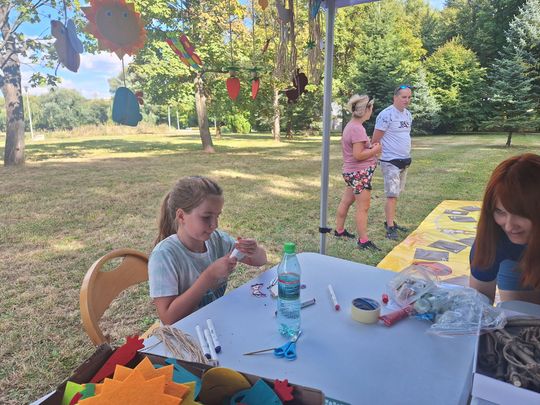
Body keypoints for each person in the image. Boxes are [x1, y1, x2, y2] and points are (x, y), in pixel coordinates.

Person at [149, 176, 267, 324]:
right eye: (206, 217)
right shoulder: (164, 256)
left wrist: (253, 250)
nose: (215, 224)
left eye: (217, 216)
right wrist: (209, 276)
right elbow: (168, 318)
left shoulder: (217, 240)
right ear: (181, 216)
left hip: (214, 322)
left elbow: (261, 260)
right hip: (183, 333)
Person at [469, 153, 540, 305]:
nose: (509, 226)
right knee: (519, 311)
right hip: (516, 264)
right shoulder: (493, 236)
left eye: (521, 214)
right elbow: (479, 306)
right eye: (500, 212)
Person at [334, 94, 382, 251]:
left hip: (352, 173)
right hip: (359, 174)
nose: (372, 111)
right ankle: (363, 241)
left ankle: (339, 231)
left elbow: (357, 150)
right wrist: (375, 149)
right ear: (365, 110)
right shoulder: (357, 129)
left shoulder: (351, 126)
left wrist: (370, 148)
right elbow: (358, 155)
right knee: (363, 207)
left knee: (346, 201)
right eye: (371, 108)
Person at [372, 85, 413, 240]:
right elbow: (375, 139)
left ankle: (391, 221)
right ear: (395, 97)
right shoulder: (386, 115)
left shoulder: (408, 115)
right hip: (390, 160)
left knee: (396, 194)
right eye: (404, 97)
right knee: (391, 195)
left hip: (404, 160)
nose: (407, 100)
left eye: (409, 97)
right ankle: (390, 227)